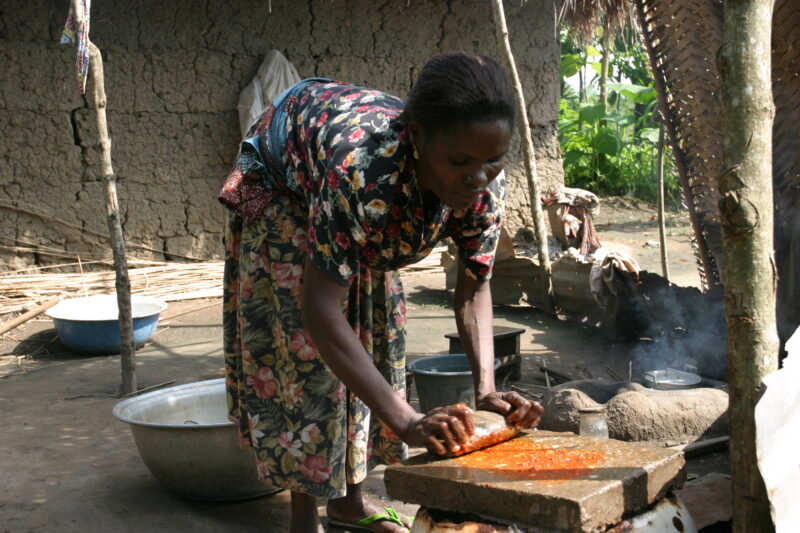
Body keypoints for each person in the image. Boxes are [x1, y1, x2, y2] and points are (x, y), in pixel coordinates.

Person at [218, 51, 544, 533]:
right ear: (417, 138)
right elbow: (319, 310)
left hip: (366, 203)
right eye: (460, 161)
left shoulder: (484, 191)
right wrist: (408, 421)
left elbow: (474, 290)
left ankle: (351, 501)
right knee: (304, 361)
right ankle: (304, 517)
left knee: (376, 335)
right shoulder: (360, 171)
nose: (477, 177)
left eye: (493, 159)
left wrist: (487, 389)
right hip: (285, 184)